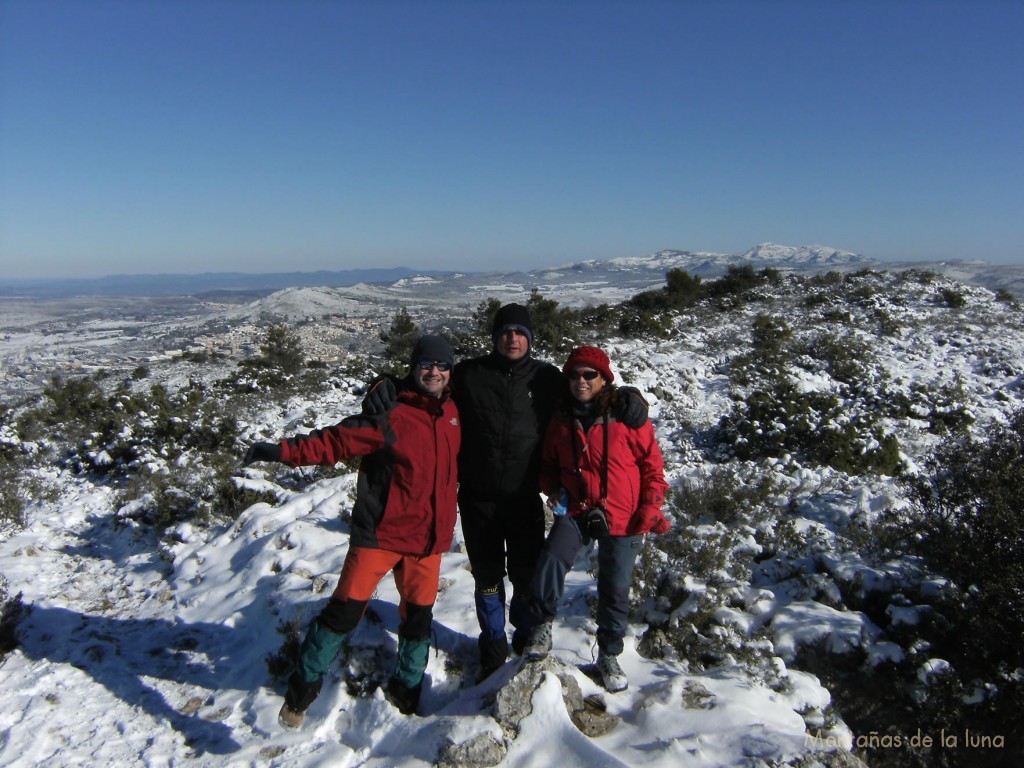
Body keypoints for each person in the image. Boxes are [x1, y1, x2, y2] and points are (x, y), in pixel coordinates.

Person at [363, 304, 650, 681]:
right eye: (505, 332)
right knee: (487, 575)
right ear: (494, 336)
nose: (512, 339)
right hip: (478, 498)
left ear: (529, 339)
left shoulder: (546, 379)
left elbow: (588, 394)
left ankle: (527, 634)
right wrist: (385, 382)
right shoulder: (469, 374)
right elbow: (426, 387)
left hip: (523, 497)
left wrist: (631, 397)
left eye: (520, 333)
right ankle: (493, 641)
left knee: (526, 574)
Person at [244, 335, 460, 728]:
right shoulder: (390, 412)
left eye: (442, 365)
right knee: (343, 613)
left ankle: (406, 695)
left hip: (427, 541)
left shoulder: (454, 413)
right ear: (413, 368)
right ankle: (300, 694)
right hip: (381, 534)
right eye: (426, 364)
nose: (434, 372)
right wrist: (282, 452)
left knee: (418, 621)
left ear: (450, 371)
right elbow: (336, 441)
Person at [521, 344, 670, 693]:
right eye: (574, 374)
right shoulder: (560, 419)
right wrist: (554, 488)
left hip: (625, 514)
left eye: (590, 374)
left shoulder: (627, 416)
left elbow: (653, 468)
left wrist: (650, 507)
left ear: (605, 378)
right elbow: (547, 468)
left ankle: (609, 653)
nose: (581, 381)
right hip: (577, 508)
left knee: (615, 587)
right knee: (551, 560)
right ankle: (541, 626)